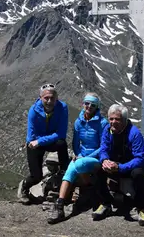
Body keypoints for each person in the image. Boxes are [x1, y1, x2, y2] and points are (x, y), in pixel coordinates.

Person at [47, 92, 108, 224]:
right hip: (81, 157)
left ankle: (88, 188)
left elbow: (103, 146)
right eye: (87, 103)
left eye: (93, 105)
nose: (89, 106)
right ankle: (60, 205)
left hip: (97, 158)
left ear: (96, 107)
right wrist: (78, 154)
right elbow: (75, 143)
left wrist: (84, 157)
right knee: (71, 168)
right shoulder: (78, 121)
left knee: (77, 165)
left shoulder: (103, 123)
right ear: (83, 103)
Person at [92, 104, 144, 226]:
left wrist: (120, 167)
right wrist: (104, 160)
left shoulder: (134, 133)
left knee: (139, 174)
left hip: (131, 165)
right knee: (97, 169)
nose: (113, 122)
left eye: (117, 119)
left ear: (124, 120)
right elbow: (103, 149)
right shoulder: (107, 130)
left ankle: (142, 207)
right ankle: (105, 203)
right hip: (115, 164)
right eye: (111, 119)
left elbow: (140, 158)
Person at [18, 83, 69, 205]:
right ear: (40, 98)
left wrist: (40, 141)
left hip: (43, 141)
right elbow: (31, 138)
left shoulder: (62, 108)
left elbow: (61, 134)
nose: (49, 101)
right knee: (36, 177)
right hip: (35, 144)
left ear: (57, 98)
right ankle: (24, 187)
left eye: (52, 98)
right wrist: (37, 142)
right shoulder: (34, 111)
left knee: (61, 143)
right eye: (46, 98)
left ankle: (63, 171)